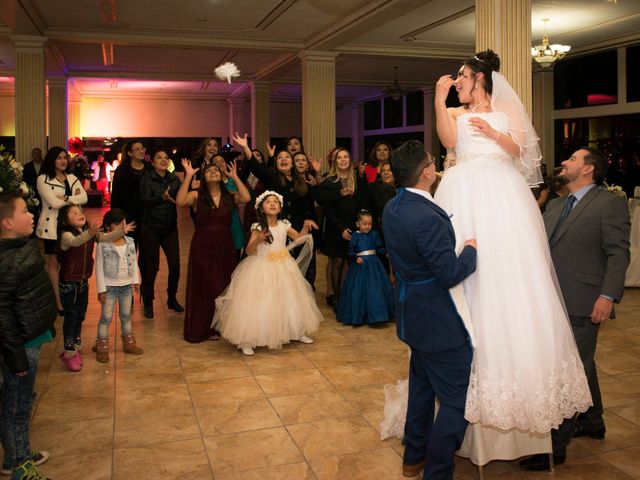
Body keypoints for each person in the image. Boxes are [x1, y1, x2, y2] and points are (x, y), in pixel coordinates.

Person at [432, 50, 591, 464]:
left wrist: (491, 132)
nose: (459, 83)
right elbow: (449, 142)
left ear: (480, 79)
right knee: (465, 277)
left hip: (502, 194)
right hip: (463, 189)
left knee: (512, 275)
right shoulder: (454, 112)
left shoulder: (503, 107)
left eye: (463, 77)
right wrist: (439, 98)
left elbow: (521, 149)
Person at [520, 147, 630, 471]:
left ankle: (555, 446)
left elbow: (618, 254)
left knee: (568, 370)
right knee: (582, 365)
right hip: (551, 300)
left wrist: (607, 296)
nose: (564, 162)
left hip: (584, 300)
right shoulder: (554, 204)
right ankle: (593, 421)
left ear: (588, 169)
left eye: (571, 159)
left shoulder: (610, 203)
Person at [382, 141, 477, 479]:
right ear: (426, 172)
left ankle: (414, 455)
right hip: (438, 322)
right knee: (457, 399)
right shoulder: (425, 216)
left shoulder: (394, 207)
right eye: (431, 161)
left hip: (412, 315)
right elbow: (450, 274)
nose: (435, 164)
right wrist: (470, 250)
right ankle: (437, 471)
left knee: (422, 388)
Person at [212, 191, 322, 356]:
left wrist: (305, 226)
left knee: (289, 297)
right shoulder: (258, 227)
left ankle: (296, 331)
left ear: (280, 208)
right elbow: (249, 251)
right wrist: (257, 240)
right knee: (260, 300)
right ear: (261, 208)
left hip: (284, 266)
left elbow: (299, 238)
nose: (272, 204)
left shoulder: (284, 224)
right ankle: (247, 338)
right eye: (268, 202)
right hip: (262, 266)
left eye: (275, 202)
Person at [0, 191, 55, 480]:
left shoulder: (24, 247)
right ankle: (21, 465)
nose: (32, 214)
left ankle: (15, 453)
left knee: (22, 400)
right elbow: (3, 317)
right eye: (24, 211)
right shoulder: (5, 260)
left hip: (33, 336)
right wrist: (16, 358)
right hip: (20, 346)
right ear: (7, 223)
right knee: (16, 407)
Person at [177, 159, 250, 343]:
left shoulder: (229, 195)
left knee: (223, 283)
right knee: (205, 284)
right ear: (204, 176)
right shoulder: (196, 196)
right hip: (202, 243)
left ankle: (221, 325)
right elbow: (180, 200)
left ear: (221, 175)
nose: (212, 172)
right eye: (208, 171)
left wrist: (234, 176)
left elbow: (247, 198)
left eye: (216, 170)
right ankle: (204, 327)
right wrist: (188, 176)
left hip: (225, 243)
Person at [316, 148, 369, 313]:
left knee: (351, 262)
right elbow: (326, 205)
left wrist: (357, 226)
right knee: (337, 261)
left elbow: (363, 201)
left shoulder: (357, 179)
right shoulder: (330, 181)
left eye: (346, 157)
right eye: (339, 157)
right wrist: (341, 228)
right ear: (335, 161)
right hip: (335, 228)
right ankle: (337, 298)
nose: (343, 160)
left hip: (354, 227)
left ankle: (349, 297)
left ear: (350, 160)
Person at [36, 146, 88, 315]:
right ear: (51, 160)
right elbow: (54, 203)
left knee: (70, 261)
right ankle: (58, 301)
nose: (63, 160)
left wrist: (66, 197)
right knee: (53, 263)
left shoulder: (72, 177)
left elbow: (84, 198)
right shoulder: (43, 179)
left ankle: (70, 295)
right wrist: (73, 200)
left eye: (65, 157)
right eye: (59, 157)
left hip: (70, 226)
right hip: (51, 227)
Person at [139, 148, 183, 319]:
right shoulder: (147, 178)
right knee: (153, 267)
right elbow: (144, 200)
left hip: (170, 228)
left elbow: (182, 195)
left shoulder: (174, 179)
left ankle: (171, 298)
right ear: (153, 162)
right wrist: (161, 198)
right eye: (159, 158)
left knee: (175, 265)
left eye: (166, 158)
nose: (163, 160)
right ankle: (148, 301)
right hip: (150, 228)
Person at [94, 209, 142, 363]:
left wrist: (136, 280)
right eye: (117, 223)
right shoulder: (103, 244)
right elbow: (99, 267)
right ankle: (101, 345)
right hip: (109, 287)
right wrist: (101, 289)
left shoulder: (130, 242)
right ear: (108, 227)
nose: (122, 226)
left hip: (126, 286)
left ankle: (128, 343)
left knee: (126, 315)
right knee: (106, 317)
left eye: (123, 222)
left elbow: (134, 262)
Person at [337, 209, 393, 326]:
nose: (367, 226)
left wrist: (386, 252)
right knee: (358, 290)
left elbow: (379, 247)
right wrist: (355, 258)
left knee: (376, 289)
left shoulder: (374, 234)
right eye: (365, 224)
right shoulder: (355, 237)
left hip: (374, 265)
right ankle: (358, 316)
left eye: (370, 224)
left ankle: (377, 316)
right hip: (361, 266)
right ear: (358, 224)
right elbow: (350, 252)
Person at [111, 140, 152, 299]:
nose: (141, 151)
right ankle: (127, 291)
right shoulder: (122, 171)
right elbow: (116, 197)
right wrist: (117, 220)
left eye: (143, 148)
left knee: (147, 257)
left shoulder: (149, 169)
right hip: (128, 220)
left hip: (147, 219)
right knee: (128, 256)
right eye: (137, 149)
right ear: (129, 153)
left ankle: (145, 290)